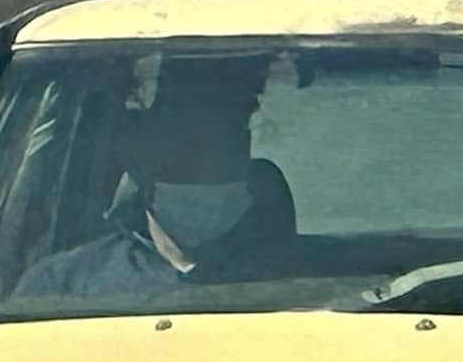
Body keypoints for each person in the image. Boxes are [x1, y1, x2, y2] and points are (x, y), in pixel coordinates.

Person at [14, 56, 281, 298]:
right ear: (136, 156)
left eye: (223, 146)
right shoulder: (60, 286)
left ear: (244, 150)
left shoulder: (306, 290)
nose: (203, 171)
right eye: (184, 149)